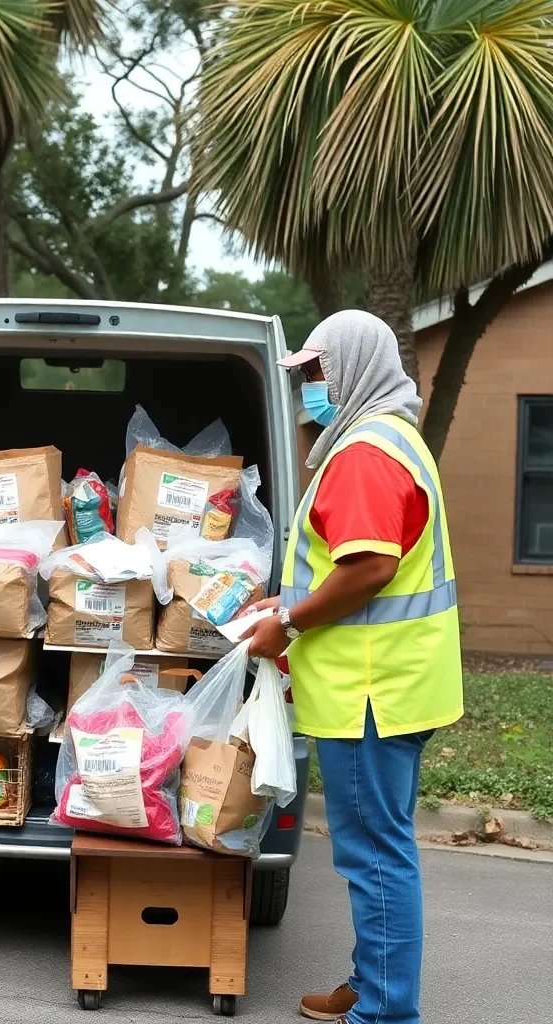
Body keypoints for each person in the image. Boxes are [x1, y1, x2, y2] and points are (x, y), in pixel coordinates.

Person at [243, 310, 463, 1024]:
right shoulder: (392, 435)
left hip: (370, 691)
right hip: (390, 685)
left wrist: (286, 624)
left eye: (316, 372)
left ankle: (387, 1012)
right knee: (376, 851)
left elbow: (370, 568)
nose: (310, 386)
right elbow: (357, 566)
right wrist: (291, 597)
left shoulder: (366, 452)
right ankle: (373, 988)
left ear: (354, 367)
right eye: (305, 374)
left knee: (373, 858)